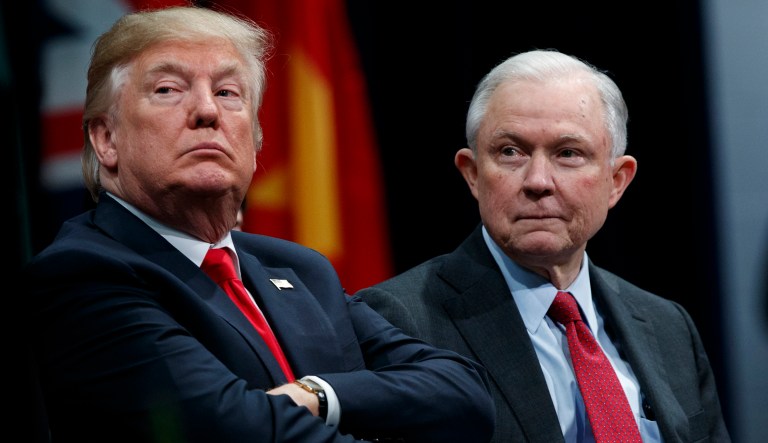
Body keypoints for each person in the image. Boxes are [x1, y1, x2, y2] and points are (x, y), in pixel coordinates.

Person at [23, 5, 495, 443]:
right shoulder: (83, 273)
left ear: (256, 143)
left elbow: (464, 393)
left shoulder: (299, 269)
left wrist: (316, 395)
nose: (207, 111)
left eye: (228, 93)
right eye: (168, 89)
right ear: (106, 139)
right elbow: (236, 428)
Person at [357, 49, 730, 442]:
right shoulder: (397, 321)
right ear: (473, 174)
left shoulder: (669, 326)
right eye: (510, 152)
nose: (538, 181)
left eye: (568, 153)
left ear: (616, 181)